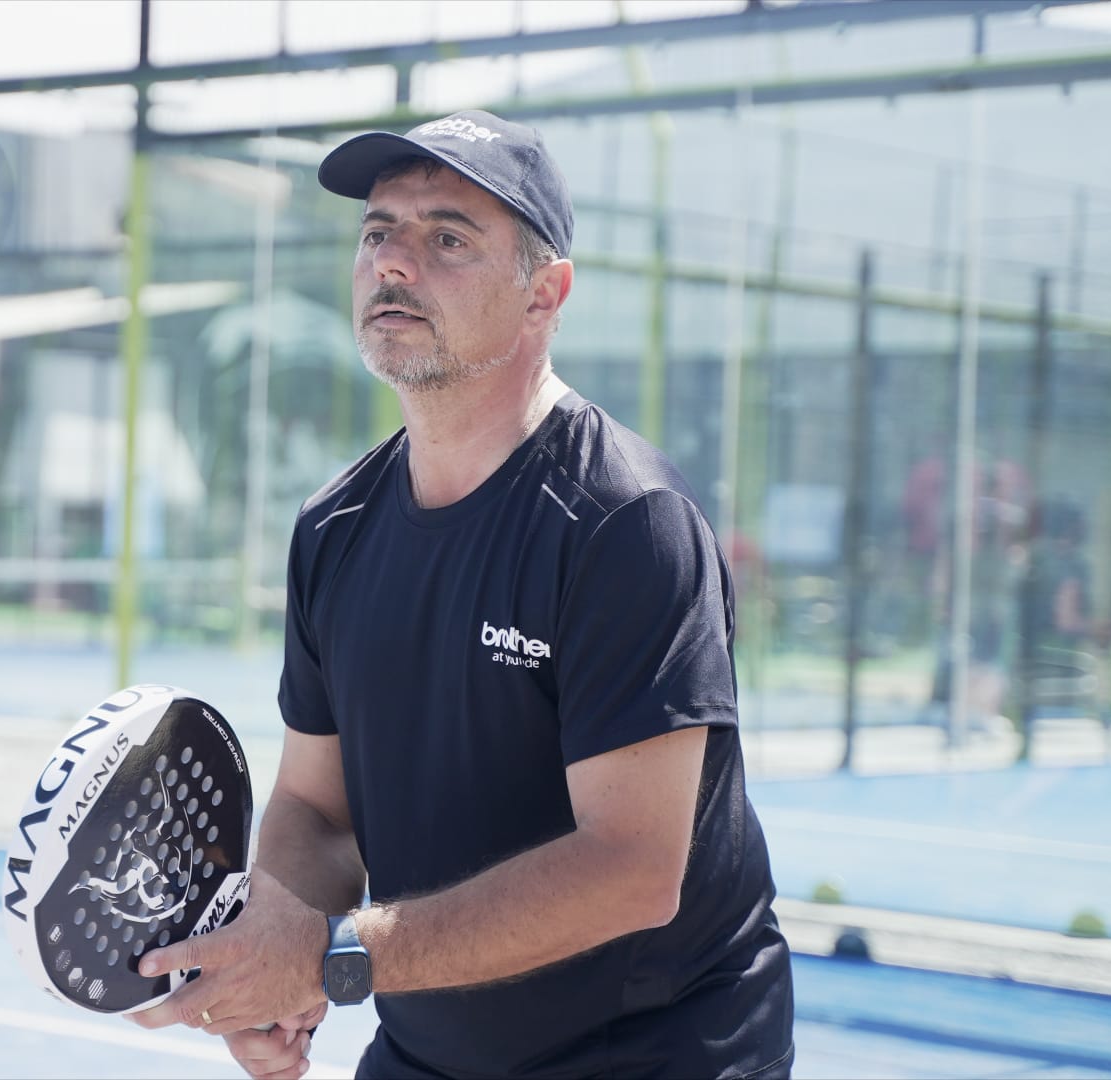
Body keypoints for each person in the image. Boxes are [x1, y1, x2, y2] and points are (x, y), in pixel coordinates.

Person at [126, 111, 795, 1078]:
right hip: (428, 1051)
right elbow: (319, 809)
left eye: (448, 238)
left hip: (651, 1057)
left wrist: (331, 957)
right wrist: (272, 947)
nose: (395, 262)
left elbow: (633, 870)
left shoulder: (624, 523)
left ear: (544, 295)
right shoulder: (335, 528)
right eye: (378, 232)